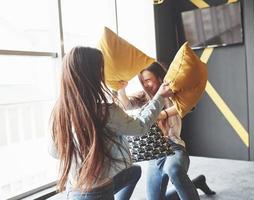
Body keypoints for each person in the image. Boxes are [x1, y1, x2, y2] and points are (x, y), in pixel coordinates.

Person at [49, 47, 174, 200]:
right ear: (93, 75)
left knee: (134, 172)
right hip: (99, 192)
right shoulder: (105, 111)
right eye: (101, 69)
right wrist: (160, 97)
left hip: (73, 189)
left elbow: (54, 152)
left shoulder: (58, 110)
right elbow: (140, 127)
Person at [117, 62, 215, 200]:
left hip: (173, 146)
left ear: (159, 77)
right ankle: (196, 183)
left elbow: (188, 105)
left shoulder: (173, 93)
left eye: (148, 80)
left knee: (173, 169)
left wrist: (164, 114)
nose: (145, 85)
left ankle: (188, 186)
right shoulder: (144, 96)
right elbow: (126, 105)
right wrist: (121, 89)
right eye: (142, 82)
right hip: (154, 153)